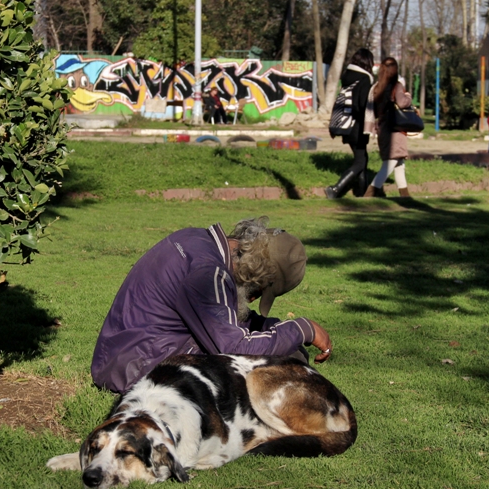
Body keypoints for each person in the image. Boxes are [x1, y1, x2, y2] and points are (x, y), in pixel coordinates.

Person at [90, 217, 334, 393]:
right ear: (255, 272)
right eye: (257, 291)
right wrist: (302, 329)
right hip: (138, 372)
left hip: (122, 356)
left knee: (284, 350)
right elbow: (233, 347)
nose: (252, 299)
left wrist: (273, 328)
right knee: (277, 361)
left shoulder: (195, 238)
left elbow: (224, 313)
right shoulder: (210, 274)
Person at [325, 48, 374, 198]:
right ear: (367, 62)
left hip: (346, 124)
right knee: (360, 161)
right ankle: (335, 189)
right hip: (357, 126)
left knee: (362, 158)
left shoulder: (348, 76)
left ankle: (362, 193)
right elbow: (361, 104)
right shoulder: (365, 79)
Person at [367, 57, 413, 198]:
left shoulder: (376, 87)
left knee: (399, 162)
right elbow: (401, 102)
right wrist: (408, 97)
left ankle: (405, 195)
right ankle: (371, 191)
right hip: (395, 128)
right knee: (391, 160)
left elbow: (372, 108)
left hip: (382, 126)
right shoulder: (396, 85)